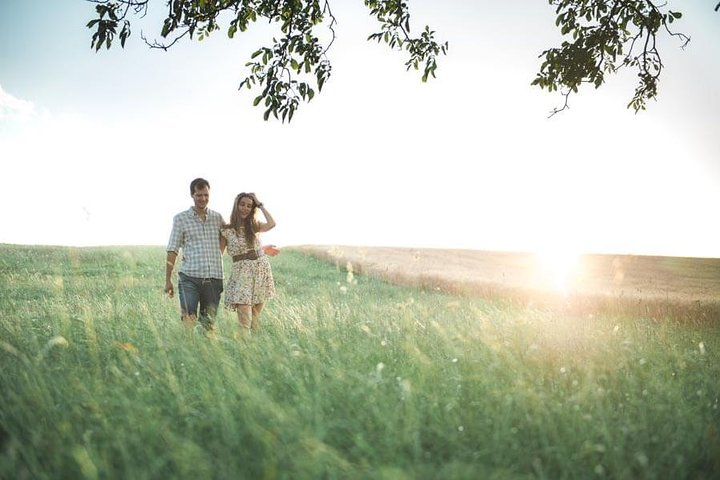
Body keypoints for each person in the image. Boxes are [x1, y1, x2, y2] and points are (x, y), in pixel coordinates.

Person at [165, 178, 225, 332]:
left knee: (208, 324)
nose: (203, 199)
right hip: (189, 277)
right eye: (199, 195)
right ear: (192, 195)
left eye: (206, 195)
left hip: (214, 278)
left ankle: (204, 354)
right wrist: (168, 280)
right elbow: (172, 249)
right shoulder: (180, 219)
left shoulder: (218, 218)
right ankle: (188, 348)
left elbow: (231, 236)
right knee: (188, 318)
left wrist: (218, 254)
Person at [220, 192, 276, 332]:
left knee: (255, 322)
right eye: (242, 204)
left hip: (260, 269)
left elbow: (272, 223)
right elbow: (218, 254)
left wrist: (259, 204)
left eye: (249, 206)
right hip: (241, 274)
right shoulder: (226, 230)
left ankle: (254, 351)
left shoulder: (254, 226)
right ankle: (243, 350)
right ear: (236, 205)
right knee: (244, 322)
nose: (245, 208)